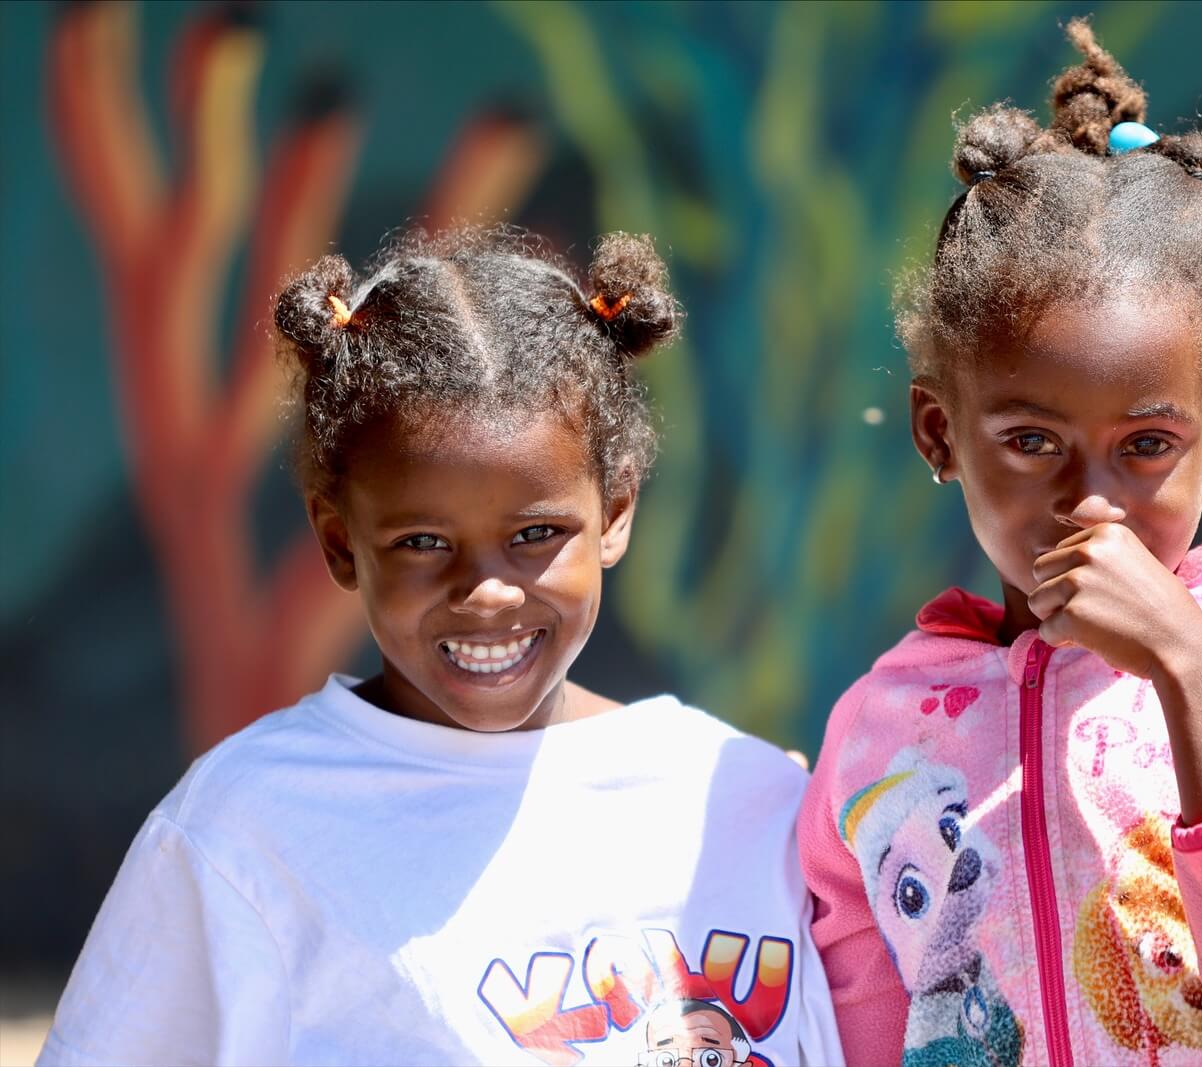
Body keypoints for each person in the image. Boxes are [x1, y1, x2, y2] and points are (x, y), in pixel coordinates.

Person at [38, 228, 842, 1066]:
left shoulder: (745, 798)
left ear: (616, 512)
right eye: (422, 541)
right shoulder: (247, 834)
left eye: (535, 533)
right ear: (341, 543)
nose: (486, 590)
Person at [800, 20, 1202, 1067]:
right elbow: (862, 1030)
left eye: (1146, 444)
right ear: (939, 434)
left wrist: (1191, 666)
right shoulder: (872, 737)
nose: (1092, 501)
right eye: (1031, 439)